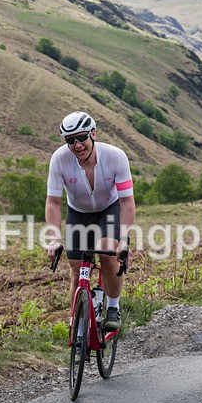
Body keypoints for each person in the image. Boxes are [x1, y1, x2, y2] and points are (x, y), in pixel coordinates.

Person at [45, 111, 135, 330]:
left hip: (109, 209)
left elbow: (127, 202)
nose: (76, 145)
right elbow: (53, 203)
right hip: (78, 213)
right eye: (69, 140)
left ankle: (113, 306)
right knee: (77, 268)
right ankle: (77, 321)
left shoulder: (115, 156)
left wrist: (123, 240)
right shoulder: (59, 159)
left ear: (93, 134)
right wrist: (54, 238)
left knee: (107, 253)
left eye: (81, 137)